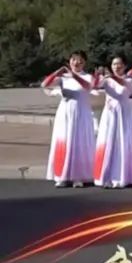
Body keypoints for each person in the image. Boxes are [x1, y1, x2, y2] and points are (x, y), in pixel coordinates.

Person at [42, 52, 96, 188]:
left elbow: (88, 87)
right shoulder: (63, 78)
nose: (76, 63)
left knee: (78, 143)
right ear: (69, 61)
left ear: (84, 62)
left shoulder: (88, 77)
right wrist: (57, 72)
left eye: (80, 60)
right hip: (65, 113)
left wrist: (74, 76)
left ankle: (79, 176)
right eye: (73, 60)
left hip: (81, 113)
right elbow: (44, 84)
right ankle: (62, 176)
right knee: (64, 142)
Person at [92, 57, 132, 188]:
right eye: (114, 64)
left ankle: (123, 176)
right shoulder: (107, 80)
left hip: (124, 114)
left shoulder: (129, 80)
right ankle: (106, 176)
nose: (117, 66)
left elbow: (126, 86)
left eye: (119, 64)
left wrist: (112, 77)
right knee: (108, 142)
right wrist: (97, 76)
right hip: (110, 114)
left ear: (124, 66)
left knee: (122, 142)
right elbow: (95, 85)